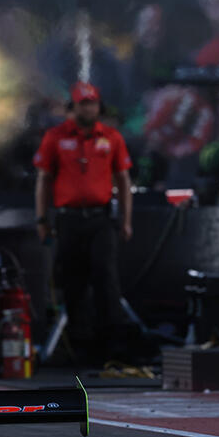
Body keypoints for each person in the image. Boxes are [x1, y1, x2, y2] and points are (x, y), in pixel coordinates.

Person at [33, 82, 134, 363]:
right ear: (72, 108)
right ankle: (80, 346)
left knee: (106, 276)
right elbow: (43, 180)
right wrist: (42, 219)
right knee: (73, 280)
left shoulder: (111, 137)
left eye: (92, 103)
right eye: (82, 104)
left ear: (98, 107)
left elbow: (124, 180)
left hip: (101, 218)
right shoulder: (55, 137)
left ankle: (112, 344)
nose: (88, 108)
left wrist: (126, 220)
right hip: (69, 220)